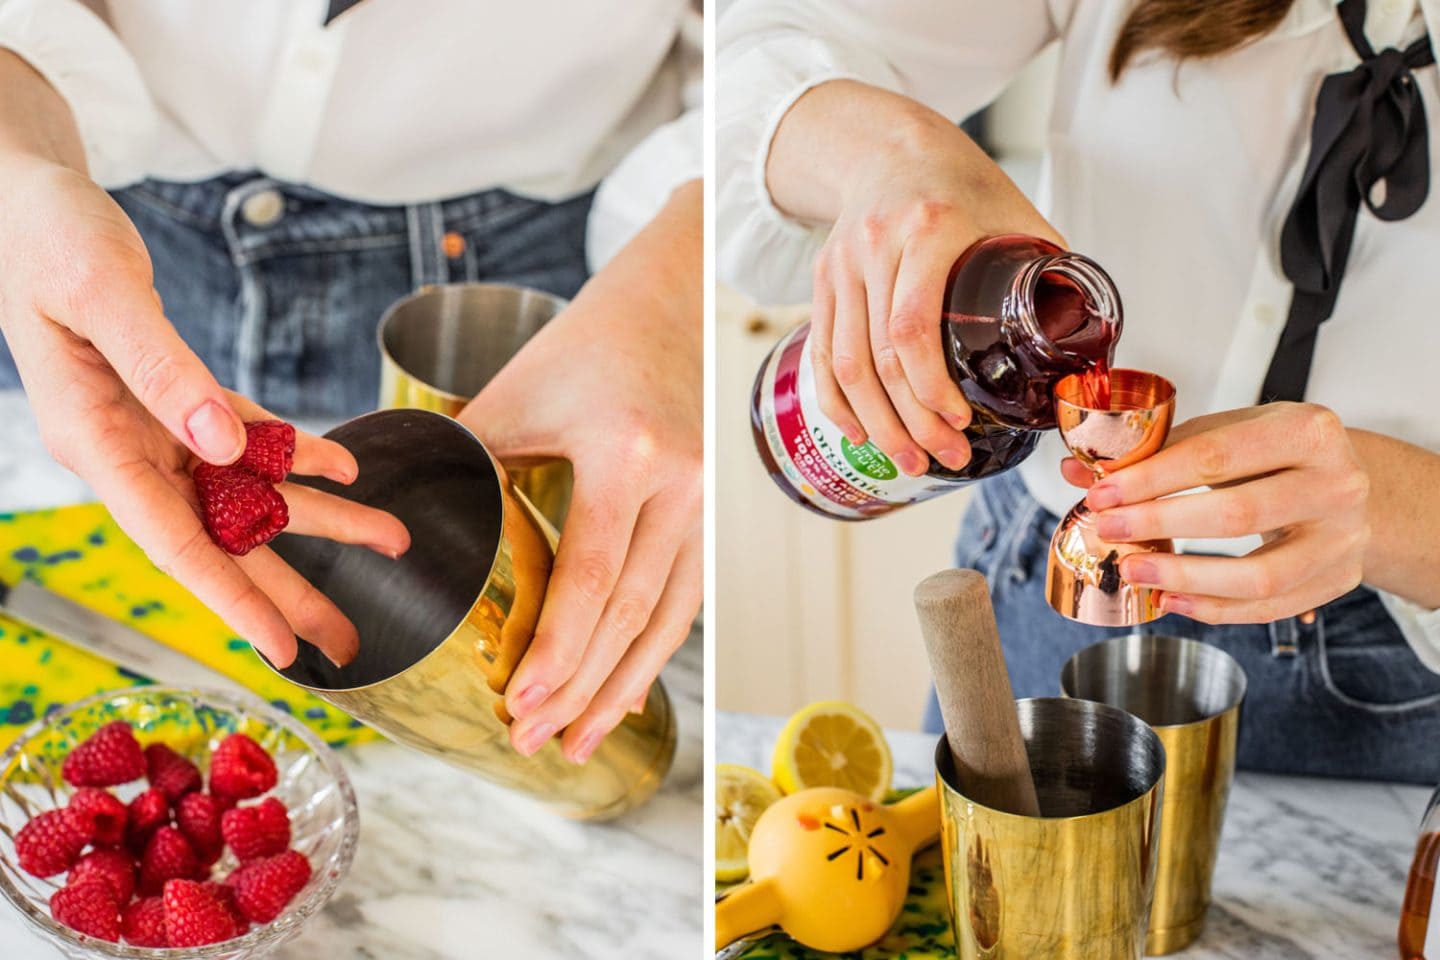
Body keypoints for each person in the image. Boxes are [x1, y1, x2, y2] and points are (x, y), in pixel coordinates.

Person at [718, 0, 1440, 781]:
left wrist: (1399, 510)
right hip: (1047, 585)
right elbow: (753, 68)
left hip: (1388, 659)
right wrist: (897, 152)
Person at [0, 0, 701, 764]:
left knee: (580, 618)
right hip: (90, 229)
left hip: (552, 297)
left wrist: (674, 292)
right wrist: (15, 177)